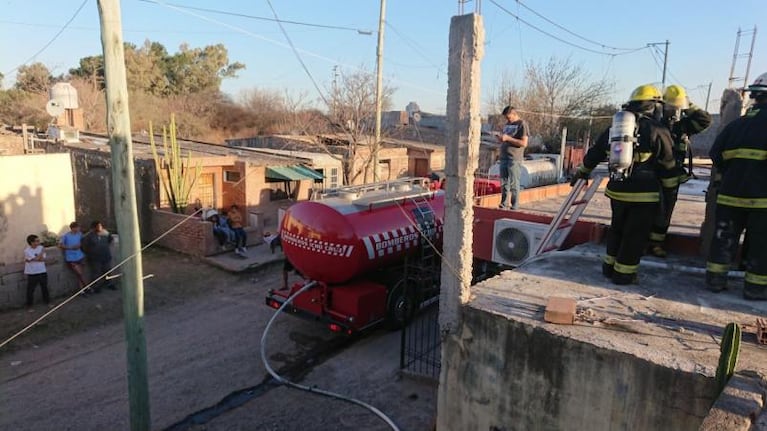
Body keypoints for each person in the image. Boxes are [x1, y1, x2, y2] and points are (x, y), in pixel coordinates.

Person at [570, 84, 675, 285]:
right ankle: (624, 275)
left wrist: (582, 173)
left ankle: (609, 268)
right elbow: (668, 164)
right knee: (635, 234)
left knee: (617, 228)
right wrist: (669, 193)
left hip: (617, 190)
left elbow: (595, 152)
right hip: (644, 195)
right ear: (653, 106)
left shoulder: (615, 129)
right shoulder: (657, 129)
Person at [705, 72, 767, 299]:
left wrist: (734, 173)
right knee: (762, 245)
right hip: (762, 201)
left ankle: (715, 280)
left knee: (723, 239)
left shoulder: (735, 126)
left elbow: (716, 154)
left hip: (730, 196)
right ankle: (755, 288)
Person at [648, 85, 712, 257]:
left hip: (672, 177)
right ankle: (642, 242)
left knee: (664, 213)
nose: (673, 112)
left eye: (677, 108)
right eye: (671, 107)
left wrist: (689, 105)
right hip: (651, 175)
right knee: (646, 211)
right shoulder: (653, 124)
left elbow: (705, 120)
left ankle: (656, 243)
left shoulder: (683, 126)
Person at [496, 105, 529, 209]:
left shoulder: (522, 124)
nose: (507, 119)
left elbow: (524, 143)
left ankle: (514, 205)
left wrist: (508, 138)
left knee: (514, 183)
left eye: (509, 117)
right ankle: (503, 204)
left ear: (514, 114)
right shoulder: (507, 124)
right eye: (506, 118)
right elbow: (506, 139)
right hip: (504, 156)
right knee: (504, 182)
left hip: (514, 158)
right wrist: (501, 138)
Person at [82, 220, 115, 292]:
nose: (100, 227)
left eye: (100, 226)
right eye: (98, 226)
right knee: (96, 273)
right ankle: (96, 287)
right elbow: (84, 246)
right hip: (95, 258)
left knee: (108, 270)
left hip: (105, 256)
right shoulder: (88, 236)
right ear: (94, 228)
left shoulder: (106, 233)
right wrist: (90, 253)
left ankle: (109, 283)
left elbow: (110, 239)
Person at [58, 221, 89, 294]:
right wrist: (71, 247)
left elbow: (83, 242)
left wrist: (80, 245)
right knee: (79, 273)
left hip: (80, 256)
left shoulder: (80, 234)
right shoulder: (66, 236)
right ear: (73, 228)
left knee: (81, 274)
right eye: (77, 228)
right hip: (71, 258)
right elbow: (60, 245)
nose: (79, 229)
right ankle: (87, 287)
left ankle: (82, 290)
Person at [24, 234, 50, 310]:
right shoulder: (27, 251)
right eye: (37, 241)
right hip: (32, 273)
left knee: (44, 288)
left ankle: (47, 302)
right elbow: (36, 259)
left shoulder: (40, 247)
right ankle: (29, 306)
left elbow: (42, 259)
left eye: (38, 240)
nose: (39, 242)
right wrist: (41, 253)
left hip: (42, 271)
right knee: (30, 290)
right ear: (32, 242)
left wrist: (38, 257)